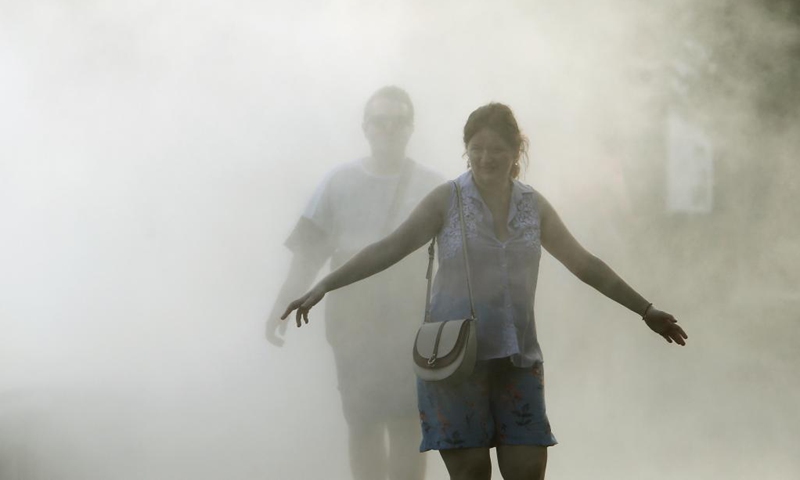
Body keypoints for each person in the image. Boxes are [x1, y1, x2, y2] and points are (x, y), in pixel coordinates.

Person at [280, 102, 688, 480]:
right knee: (472, 475)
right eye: (476, 149)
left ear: (516, 152)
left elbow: (583, 264)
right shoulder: (447, 199)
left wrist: (644, 309)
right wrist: (324, 286)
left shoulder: (533, 206)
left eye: (496, 149)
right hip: (456, 361)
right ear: (466, 151)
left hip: (517, 359)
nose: (485, 158)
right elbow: (389, 248)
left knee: (527, 472)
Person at [266, 86, 443, 480]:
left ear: (410, 128)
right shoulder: (338, 183)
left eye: (398, 122)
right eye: (380, 122)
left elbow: (457, 258)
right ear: (366, 128)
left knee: (408, 421)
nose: (389, 130)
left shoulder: (434, 186)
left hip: (412, 315)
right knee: (362, 421)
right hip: (353, 317)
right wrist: (282, 305)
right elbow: (309, 254)